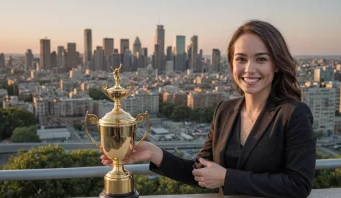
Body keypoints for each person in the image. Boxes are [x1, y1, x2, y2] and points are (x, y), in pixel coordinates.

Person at [100, 20, 316, 198]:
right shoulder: (225, 110)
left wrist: (226, 178)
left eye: (261, 59)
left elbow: (298, 185)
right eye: (241, 59)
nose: (249, 69)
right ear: (231, 63)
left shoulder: (293, 113)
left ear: (276, 64)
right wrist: (154, 153)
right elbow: (201, 172)